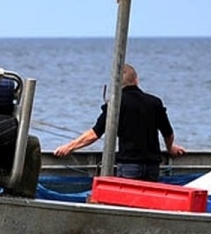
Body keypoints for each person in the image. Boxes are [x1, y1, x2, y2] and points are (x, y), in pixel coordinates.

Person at [54, 63, 185, 181]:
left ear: (116, 85)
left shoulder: (116, 104)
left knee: (128, 204)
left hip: (129, 166)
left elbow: (94, 134)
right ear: (136, 80)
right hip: (153, 167)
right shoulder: (155, 102)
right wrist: (170, 148)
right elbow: (168, 134)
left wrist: (69, 147)